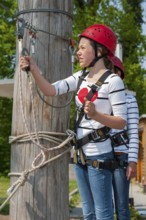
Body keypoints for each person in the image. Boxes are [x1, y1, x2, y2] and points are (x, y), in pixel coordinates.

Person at [20, 24, 127, 220]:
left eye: (83, 47)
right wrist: (33, 68)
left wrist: (96, 115)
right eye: (78, 48)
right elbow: (51, 90)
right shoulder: (81, 77)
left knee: (103, 213)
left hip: (100, 156)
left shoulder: (113, 81)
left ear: (100, 50)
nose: (78, 52)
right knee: (88, 212)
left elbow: (121, 122)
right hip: (79, 155)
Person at [110, 55, 139, 220]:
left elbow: (134, 132)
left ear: (118, 74)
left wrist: (133, 161)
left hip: (121, 157)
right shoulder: (101, 99)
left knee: (121, 207)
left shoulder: (129, 100)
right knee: (105, 205)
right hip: (102, 156)